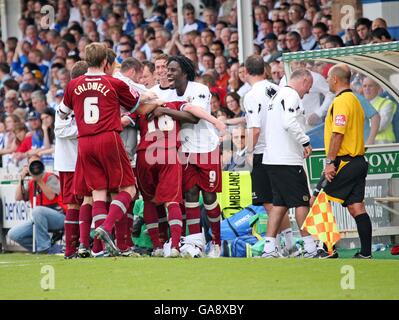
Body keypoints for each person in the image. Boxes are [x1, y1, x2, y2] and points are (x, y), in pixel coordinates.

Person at [57, 43, 149, 256]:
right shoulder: (113, 82)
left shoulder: (73, 85)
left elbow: (62, 114)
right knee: (129, 189)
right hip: (108, 138)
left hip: (84, 143)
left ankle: (97, 248)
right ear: (106, 62)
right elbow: (136, 106)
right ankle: (106, 228)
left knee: (98, 193)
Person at [167, 55, 223, 257]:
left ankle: (217, 242)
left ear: (184, 71)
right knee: (190, 196)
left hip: (206, 148)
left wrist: (164, 110)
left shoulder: (199, 89)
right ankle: (195, 243)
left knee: (209, 197)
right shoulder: (168, 92)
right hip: (186, 151)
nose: (169, 73)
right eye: (167, 69)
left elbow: (194, 117)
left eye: (172, 70)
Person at [262, 69, 321, 258]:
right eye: (309, 87)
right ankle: (311, 248)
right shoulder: (292, 95)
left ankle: (269, 248)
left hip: (271, 158)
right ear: (303, 81)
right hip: (287, 159)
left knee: (279, 204)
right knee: (302, 201)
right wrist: (305, 141)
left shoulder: (275, 97)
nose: (308, 92)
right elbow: (289, 122)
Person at [315, 64, 372, 259]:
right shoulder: (355, 100)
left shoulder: (341, 101)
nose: (328, 81)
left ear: (335, 79)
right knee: (357, 207)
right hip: (358, 161)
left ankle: (328, 250)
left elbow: (337, 135)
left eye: (328, 78)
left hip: (344, 161)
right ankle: (366, 253)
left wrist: (330, 162)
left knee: (322, 200)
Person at [243, 55, 296, 255]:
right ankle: (289, 244)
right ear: (265, 70)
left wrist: (248, 152)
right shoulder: (278, 89)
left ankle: (275, 246)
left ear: (246, 72)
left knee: (268, 201)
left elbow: (255, 129)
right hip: (280, 150)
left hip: (263, 151)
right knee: (279, 200)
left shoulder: (251, 95)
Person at [54, 61, 88, 259]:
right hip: (69, 162)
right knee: (75, 204)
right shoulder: (65, 103)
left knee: (89, 201)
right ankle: (70, 250)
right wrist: (86, 130)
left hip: (84, 160)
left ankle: (85, 246)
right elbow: (60, 129)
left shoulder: (85, 101)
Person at [7, 156, 66, 253]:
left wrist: (39, 181)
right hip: (39, 218)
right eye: (32, 165)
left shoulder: (50, 177)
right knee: (13, 234)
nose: (35, 167)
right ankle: (49, 248)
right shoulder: (30, 182)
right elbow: (18, 198)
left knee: (37, 210)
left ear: (42, 165)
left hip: (59, 216)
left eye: (37, 163)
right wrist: (21, 179)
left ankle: (44, 248)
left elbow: (51, 196)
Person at [362, 77, 397, 144]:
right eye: (364, 86)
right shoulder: (360, 104)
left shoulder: (387, 103)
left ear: (378, 88)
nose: (367, 89)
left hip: (383, 144)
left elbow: (380, 126)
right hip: (365, 143)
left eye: (370, 86)